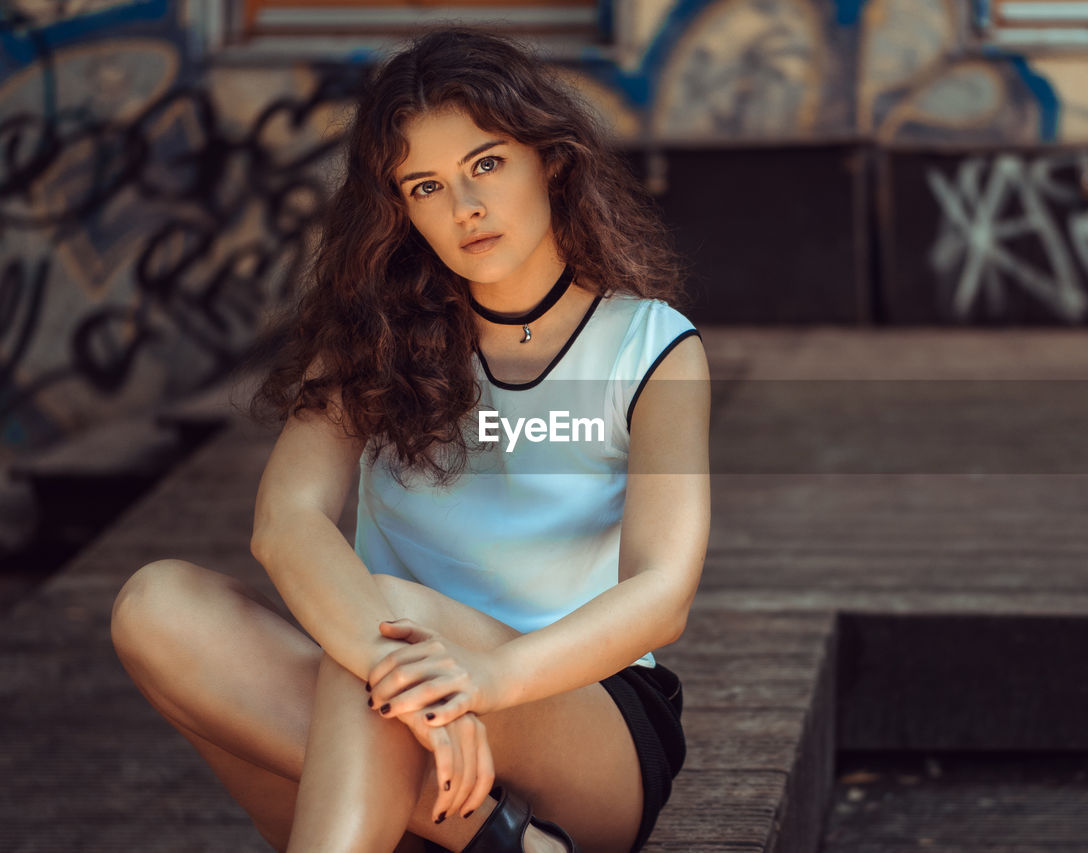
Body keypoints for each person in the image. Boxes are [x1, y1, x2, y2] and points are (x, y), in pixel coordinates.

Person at [109, 24, 710, 853]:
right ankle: (500, 838)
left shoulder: (654, 348)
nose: (464, 208)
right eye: (424, 186)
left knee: (385, 632)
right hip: (389, 704)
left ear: (553, 161)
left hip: (581, 721)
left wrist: (483, 680)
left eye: (486, 165)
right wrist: (424, 694)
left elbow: (662, 595)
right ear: (399, 209)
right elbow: (285, 522)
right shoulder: (372, 336)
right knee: (157, 603)